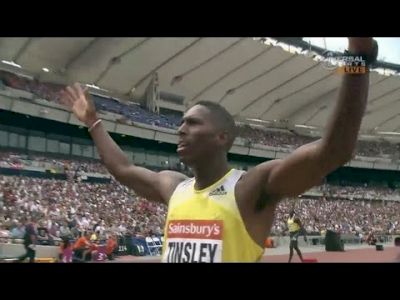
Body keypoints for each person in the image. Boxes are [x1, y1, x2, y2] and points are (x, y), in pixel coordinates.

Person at [60, 38, 378, 262]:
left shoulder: (251, 188)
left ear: (222, 137)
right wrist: (93, 123)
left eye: (193, 123)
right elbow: (124, 170)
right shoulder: (174, 187)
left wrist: (357, 59)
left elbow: (335, 150)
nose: (181, 129)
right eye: (182, 122)